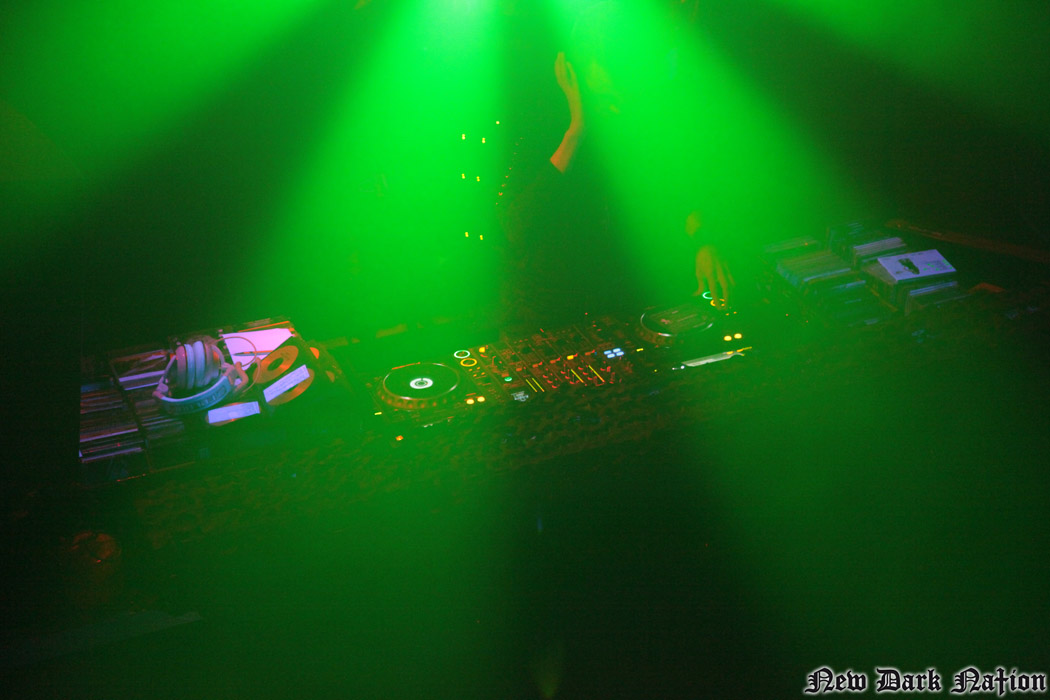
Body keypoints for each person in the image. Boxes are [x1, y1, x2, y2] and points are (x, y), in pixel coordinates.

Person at [499, 1, 734, 327]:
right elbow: (519, 223)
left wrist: (702, 242)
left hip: (634, 301)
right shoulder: (537, 125)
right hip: (565, 309)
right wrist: (578, 126)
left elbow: (681, 191)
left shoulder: (640, 119)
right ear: (572, 71)